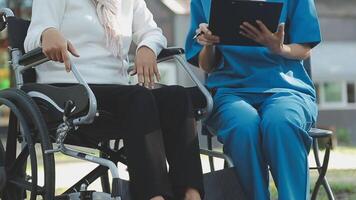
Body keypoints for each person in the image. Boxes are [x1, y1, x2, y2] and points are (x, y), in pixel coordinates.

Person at [24, 0, 204, 200]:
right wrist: (48, 33)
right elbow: (32, 38)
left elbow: (152, 32)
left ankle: (191, 194)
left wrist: (147, 47)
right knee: (139, 97)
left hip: (117, 94)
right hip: (67, 90)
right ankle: (153, 196)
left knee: (176, 97)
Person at [185, 0, 321, 199]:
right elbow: (207, 66)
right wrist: (209, 45)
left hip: (286, 89)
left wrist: (280, 48)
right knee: (243, 125)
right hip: (230, 91)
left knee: (281, 122)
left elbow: (304, 48)